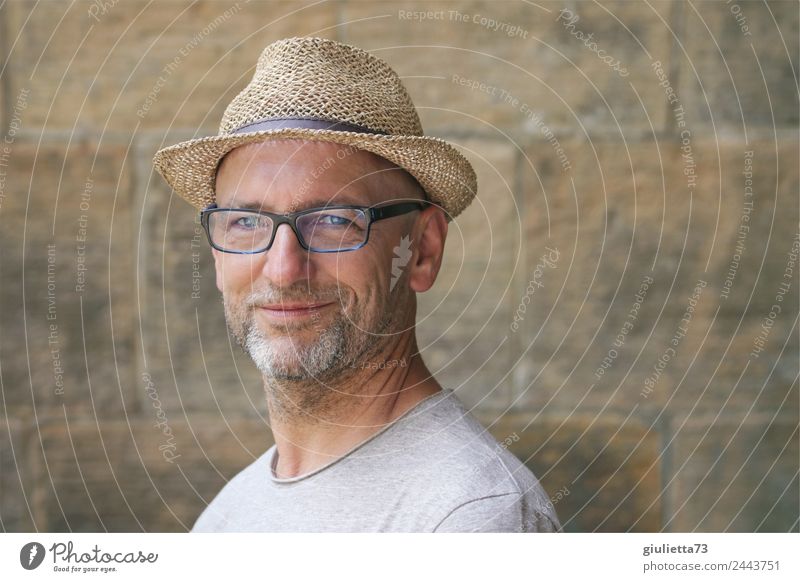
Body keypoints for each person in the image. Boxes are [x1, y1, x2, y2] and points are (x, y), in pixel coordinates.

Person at [153, 36, 560, 532]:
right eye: (245, 222)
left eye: (334, 220)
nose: (283, 269)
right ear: (218, 256)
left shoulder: (468, 514)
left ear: (422, 250)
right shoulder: (228, 516)